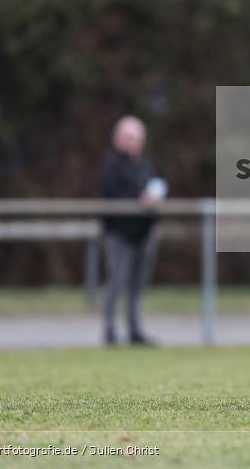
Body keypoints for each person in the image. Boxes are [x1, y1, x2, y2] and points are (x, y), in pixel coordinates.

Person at [97, 115, 163, 346]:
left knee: (137, 286)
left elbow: (156, 187)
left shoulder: (145, 164)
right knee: (116, 282)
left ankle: (135, 330)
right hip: (119, 233)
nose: (131, 142)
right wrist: (139, 199)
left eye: (135, 137)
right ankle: (109, 331)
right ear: (116, 138)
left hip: (143, 233)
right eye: (127, 136)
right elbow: (111, 193)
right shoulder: (110, 164)